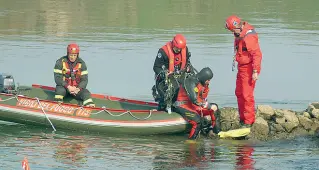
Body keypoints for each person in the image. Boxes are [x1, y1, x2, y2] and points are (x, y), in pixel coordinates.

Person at [225, 15, 262, 127]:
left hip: (249, 68)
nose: (232, 33)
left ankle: (248, 122)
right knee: (239, 93)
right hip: (242, 67)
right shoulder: (239, 33)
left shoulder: (248, 37)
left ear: (237, 27)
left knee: (247, 95)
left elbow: (257, 54)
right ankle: (242, 118)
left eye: (232, 30)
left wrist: (255, 71)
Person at [173, 67, 220, 140]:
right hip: (183, 106)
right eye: (208, 80)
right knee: (197, 121)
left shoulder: (202, 83)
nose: (209, 82)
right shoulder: (191, 81)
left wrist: (210, 107)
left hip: (193, 106)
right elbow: (194, 100)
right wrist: (208, 106)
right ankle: (191, 142)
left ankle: (215, 132)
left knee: (215, 108)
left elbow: (202, 98)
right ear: (204, 78)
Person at [152, 34, 196, 112]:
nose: (178, 51)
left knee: (188, 88)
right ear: (173, 44)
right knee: (167, 94)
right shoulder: (163, 52)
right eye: (177, 49)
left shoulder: (184, 49)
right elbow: (156, 67)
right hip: (165, 78)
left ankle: (184, 106)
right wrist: (163, 73)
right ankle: (162, 108)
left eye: (180, 49)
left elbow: (187, 62)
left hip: (180, 76)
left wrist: (189, 69)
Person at [53, 43, 95, 107]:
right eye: (71, 55)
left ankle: (89, 107)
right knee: (60, 91)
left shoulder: (82, 64)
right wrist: (68, 87)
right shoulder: (60, 62)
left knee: (86, 93)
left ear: (77, 55)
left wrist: (78, 89)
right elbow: (57, 78)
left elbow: (85, 80)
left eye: (74, 55)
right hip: (64, 87)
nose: (72, 57)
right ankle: (57, 105)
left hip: (76, 89)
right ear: (68, 54)